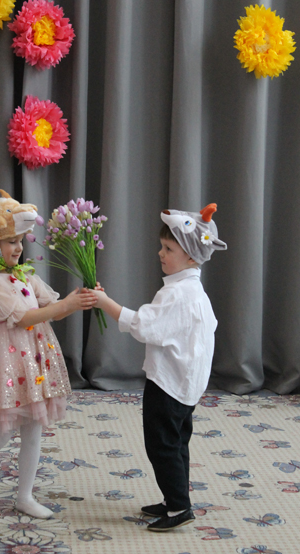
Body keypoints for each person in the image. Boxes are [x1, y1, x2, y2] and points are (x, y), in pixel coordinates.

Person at [0, 189, 97, 520]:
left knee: (33, 430)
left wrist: (80, 298)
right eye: (10, 241)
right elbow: (26, 317)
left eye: (19, 241)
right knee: (1, 431)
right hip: (12, 359)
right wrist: (68, 304)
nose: (18, 247)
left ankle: (25, 496)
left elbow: (53, 308)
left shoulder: (24, 274)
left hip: (36, 358)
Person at [89, 204, 227, 532]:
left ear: (191, 256)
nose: (160, 253)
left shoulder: (177, 294)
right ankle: (174, 498)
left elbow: (143, 325)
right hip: (186, 384)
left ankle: (179, 507)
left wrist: (105, 303)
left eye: (168, 249)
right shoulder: (194, 291)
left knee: (161, 445)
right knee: (176, 443)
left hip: (168, 384)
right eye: (162, 246)